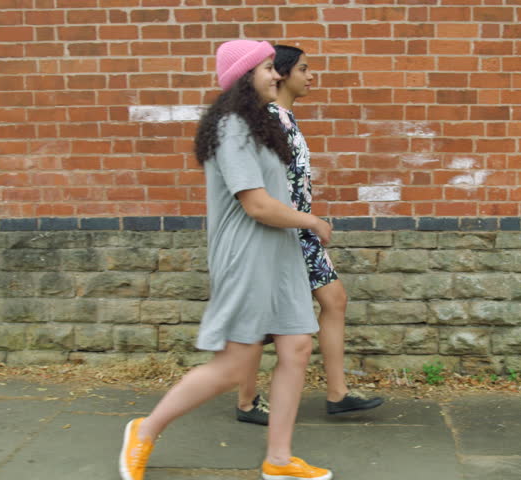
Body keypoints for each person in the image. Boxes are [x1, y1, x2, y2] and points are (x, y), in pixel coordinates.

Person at [118, 39, 333, 480]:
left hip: (280, 253)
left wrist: (299, 225)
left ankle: (278, 458)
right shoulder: (233, 127)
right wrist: (311, 221)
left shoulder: (258, 126)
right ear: (244, 76)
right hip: (247, 255)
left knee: (296, 346)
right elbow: (256, 204)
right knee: (235, 364)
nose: (277, 75)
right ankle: (146, 428)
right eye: (269, 68)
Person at [234, 44, 384, 427]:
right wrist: (300, 221)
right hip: (280, 231)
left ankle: (338, 394)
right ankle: (247, 401)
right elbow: (259, 187)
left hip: (301, 231)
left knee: (334, 299)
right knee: (264, 323)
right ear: (282, 74)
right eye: (304, 69)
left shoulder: (285, 118)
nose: (311, 75)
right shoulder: (264, 121)